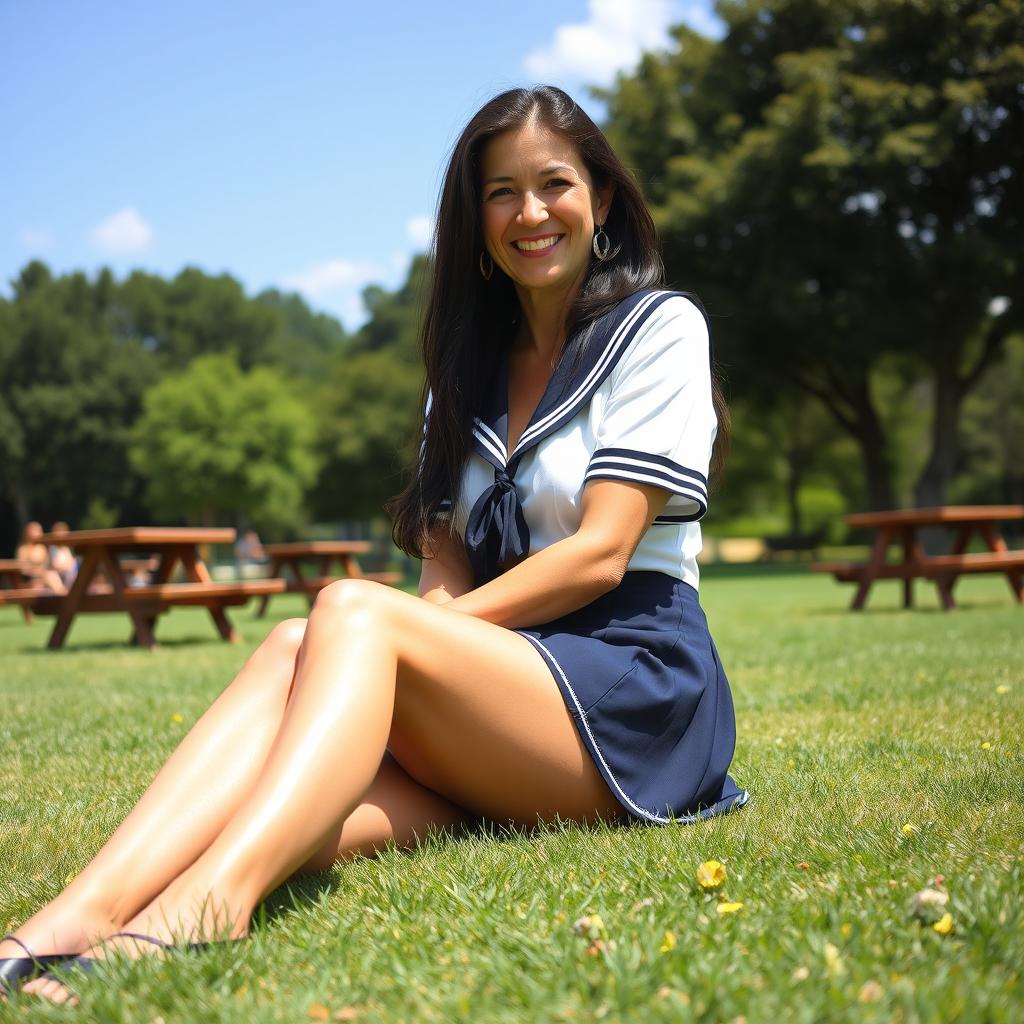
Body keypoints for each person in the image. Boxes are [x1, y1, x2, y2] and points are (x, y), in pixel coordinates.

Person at [1, 85, 749, 1005]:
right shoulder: (461, 377)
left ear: (599, 197)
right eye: (500, 193)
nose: (530, 212)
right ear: (474, 223)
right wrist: (413, 660)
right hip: (513, 685)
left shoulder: (658, 329)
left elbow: (601, 553)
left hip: (636, 686)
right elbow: (444, 570)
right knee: (297, 740)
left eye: (553, 183)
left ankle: (209, 908)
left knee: (346, 617)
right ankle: (65, 920)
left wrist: (395, 645)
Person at [13, 521, 66, 595]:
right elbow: (22, 569)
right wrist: (37, 571)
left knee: (51, 576)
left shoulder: (41, 548)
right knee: (50, 577)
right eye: (35, 531)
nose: (38, 533)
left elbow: (47, 565)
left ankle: (62, 596)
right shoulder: (23, 549)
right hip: (30, 579)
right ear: (27, 532)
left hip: (43, 577)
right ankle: (63, 596)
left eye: (39, 531)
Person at [47, 522, 78, 590]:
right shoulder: (53, 548)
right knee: (52, 575)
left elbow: (72, 562)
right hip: (59, 574)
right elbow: (55, 565)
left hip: (68, 574)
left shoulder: (67, 548)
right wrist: (67, 566)